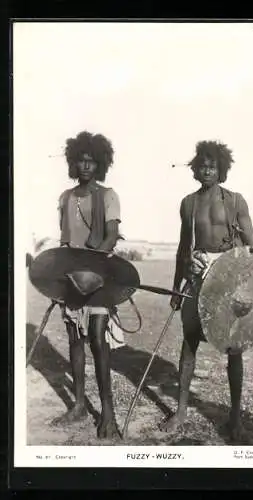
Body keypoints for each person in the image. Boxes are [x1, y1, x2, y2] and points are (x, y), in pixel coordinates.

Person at [159, 140, 253, 442]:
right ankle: (181, 411)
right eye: (202, 165)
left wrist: (241, 281)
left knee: (234, 348)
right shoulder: (188, 203)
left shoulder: (236, 201)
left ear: (222, 169)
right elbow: (182, 248)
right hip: (197, 276)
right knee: (189, 343)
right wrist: (177, 286)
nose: (207, 170)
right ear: (195, 168)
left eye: (212, 166)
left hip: (229, 279)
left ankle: (236, 418)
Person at [55, 131, 123, 438]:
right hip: (70, 277)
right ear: (73, 162)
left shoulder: (108, 195)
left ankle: (108, 413)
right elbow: (64, 240)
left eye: (91, 161)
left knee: (97, 337)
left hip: (98, 275)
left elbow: (110, 236)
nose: (85, 166)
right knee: (74, 338)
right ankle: (80, 404)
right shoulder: (65, 198)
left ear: (100, 163)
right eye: (80, 160)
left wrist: (92, 267)